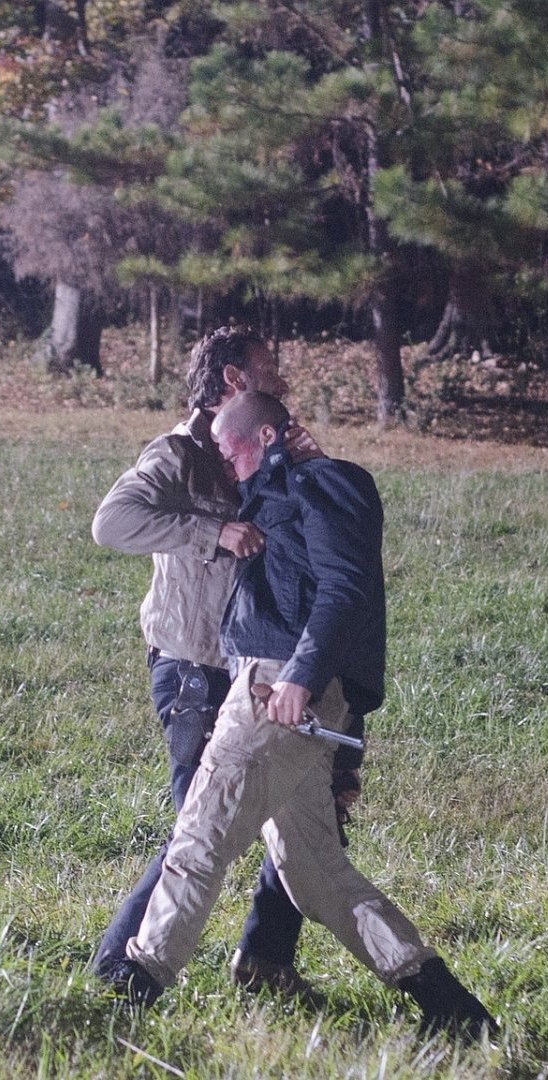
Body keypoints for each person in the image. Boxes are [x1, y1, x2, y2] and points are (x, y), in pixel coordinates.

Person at [104, 390, 496, 1040]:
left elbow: (348, 593)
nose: (224, 466)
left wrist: (300, 680)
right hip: (275, 684)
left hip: (275, 688)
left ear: (259, 436)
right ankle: (452, 1010)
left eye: (229, 450)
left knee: (200, 837)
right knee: (315, 873)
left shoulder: (334, 482)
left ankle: (131, 992)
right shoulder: (285, 488)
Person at [89, 326, 354, 999]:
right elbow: (111, 522)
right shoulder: (178, 454)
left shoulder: (273, 453)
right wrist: (212, 531)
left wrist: (308, 471)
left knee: (309, 813)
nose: (286, 377)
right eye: (272, 365)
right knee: (198, 829)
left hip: (265, 672)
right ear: (235, 379)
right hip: (194, 669)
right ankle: (121, 971)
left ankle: (264, 961)